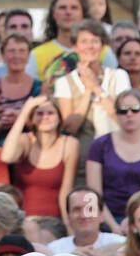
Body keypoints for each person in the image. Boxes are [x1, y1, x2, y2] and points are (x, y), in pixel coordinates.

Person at [86, 91, 140, 231]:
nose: (129, 114)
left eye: (135, 109)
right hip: (107, 220)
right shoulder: (99, 145)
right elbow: (94, 194)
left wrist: (135, 221)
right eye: (123, 110)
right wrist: (114, 227)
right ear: (116, 114)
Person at [54, 20, 130, 177]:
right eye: (84, 42)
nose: (90, 46)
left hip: (118, 159)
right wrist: (88, 91)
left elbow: (122, 117)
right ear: (75, 47)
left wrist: (97, 87)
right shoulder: (63, 83)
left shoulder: (119, 76)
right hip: (81, 164)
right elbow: (71, 127)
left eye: (95, 41)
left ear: (102, 46)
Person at [0, 94, 78, 224]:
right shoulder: (25, 140)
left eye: (50, 113)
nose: (45, 117)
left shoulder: (69, 144)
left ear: (59, 117)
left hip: (52, 220)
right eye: (39, 113)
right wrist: (24, 112)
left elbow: (66, 191)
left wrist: (68, 226)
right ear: (32, 118)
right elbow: (6, 156)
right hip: (21, 219)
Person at [0, 34, 42, 145]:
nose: (16, 56)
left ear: (29, 55)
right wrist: (0, 125)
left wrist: (22, 120)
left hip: (31, 152)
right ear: (3, 55)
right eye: (11, 51)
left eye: (22, 51)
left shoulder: (40, 87)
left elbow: (47, 128)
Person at [26, 0, 89, 83]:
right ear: (53, 14)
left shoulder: (100, 51)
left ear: (83, 14)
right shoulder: (36, 54)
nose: (68, 12)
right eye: (62, 8)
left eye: (74, 8)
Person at [48, 188, 124, 256]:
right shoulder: (54, 249)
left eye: (90, 209)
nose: (83, 215)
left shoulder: (120, 242)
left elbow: (132, 248)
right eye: (77, 209)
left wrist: (101, 254)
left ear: (101, 215)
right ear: (68, 217)